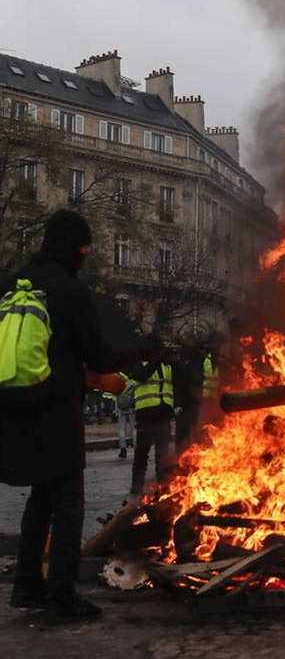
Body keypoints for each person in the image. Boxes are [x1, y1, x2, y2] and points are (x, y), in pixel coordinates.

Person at [0, 209, 160, 622]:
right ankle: (62, 595)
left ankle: (27, 587)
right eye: (85, 249)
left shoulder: (20, 285)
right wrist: (142, 351)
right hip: (57, 410)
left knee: (40, 499)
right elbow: (99, 355)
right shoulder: (68, 291)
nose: (85, 256)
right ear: (75, 248)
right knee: (69, 503)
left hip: (21, 406)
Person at [130, 346, 175, 495]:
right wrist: (157, 361)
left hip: (163, 416)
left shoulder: (165, 366)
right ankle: (137, 486)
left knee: (162, 454)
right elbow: (142, 375)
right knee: (142, 453)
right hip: (146, 417)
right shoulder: (137, 365)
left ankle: (163, 484)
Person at [116, 374, 137, 459]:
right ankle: (136, 448)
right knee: (134, 428)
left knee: (121, 429)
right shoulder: (133, 383)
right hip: (132, 408)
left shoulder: (119, 382)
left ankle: (123, 449)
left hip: (121, 409)